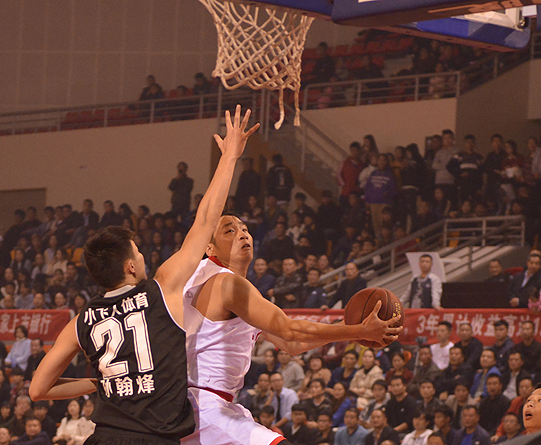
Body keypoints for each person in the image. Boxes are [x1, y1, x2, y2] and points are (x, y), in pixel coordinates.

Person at [28, 105, 261, 445]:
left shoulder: (82, 320)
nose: (143, 256)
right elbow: (206, 220)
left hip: (103, 438)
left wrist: (101, 382)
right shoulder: (160, 292)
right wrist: (229, 157)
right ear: (130, 266)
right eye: (137, 252)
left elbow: (38, 389)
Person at [180, 210, 400, 445]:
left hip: (198, 405)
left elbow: (292, 344)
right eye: (230, 231)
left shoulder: (207, 279)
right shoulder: (227, 283)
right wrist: (359, 331)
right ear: (210, 248)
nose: (242, 235)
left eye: (244, 229)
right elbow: (289, 330)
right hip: (205, 405)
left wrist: (349, 326)